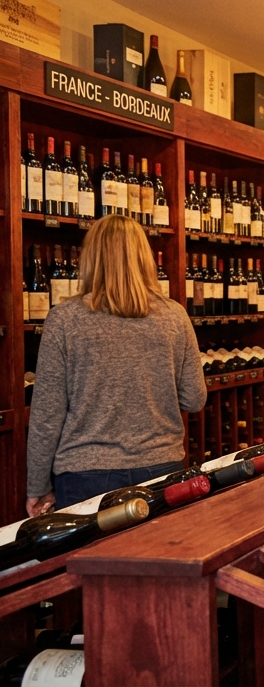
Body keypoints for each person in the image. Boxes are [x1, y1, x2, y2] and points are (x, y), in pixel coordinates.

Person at [26, 215, 207, 514]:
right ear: (144, 258)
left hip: (84, 477)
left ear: (91, 258)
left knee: (91, 561)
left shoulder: (64, 319)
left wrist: (37, 487)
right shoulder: (175, 316)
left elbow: (47, 416)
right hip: (162, 468)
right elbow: (194, 398)